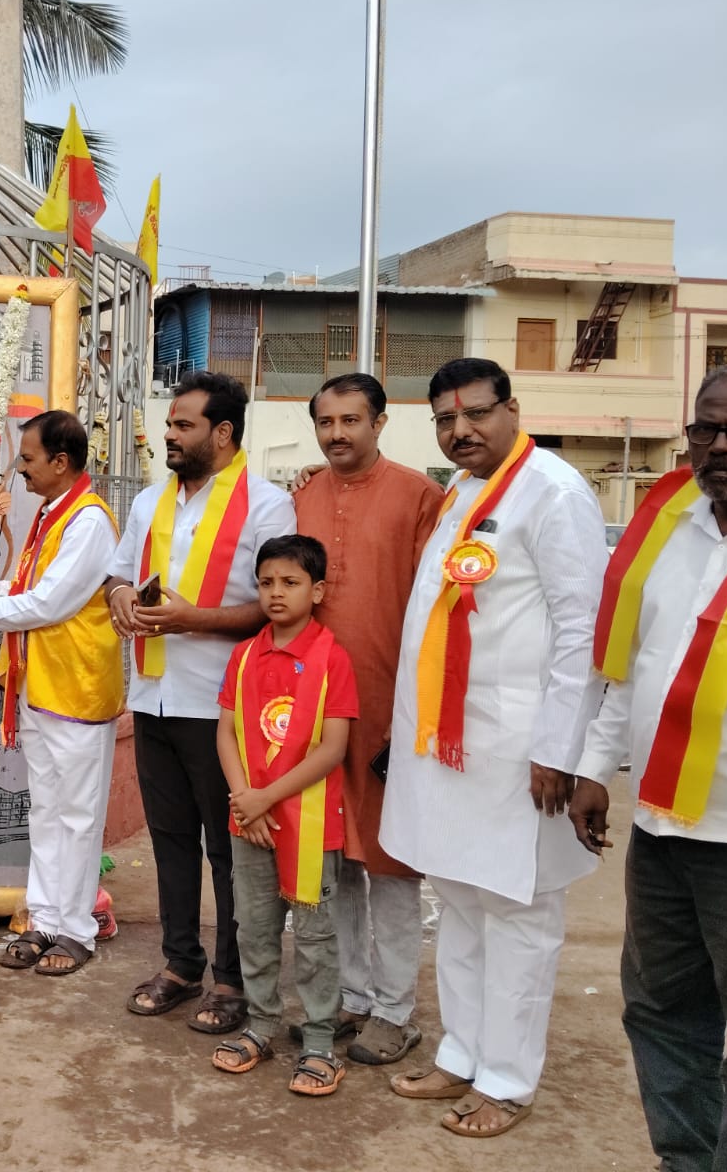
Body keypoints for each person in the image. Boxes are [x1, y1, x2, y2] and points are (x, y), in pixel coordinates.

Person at [381, 358, 605, 1137]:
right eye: (446, 420)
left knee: (517, 913)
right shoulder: (462, 491)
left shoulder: (554, 492)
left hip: (520, 752)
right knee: (463, 905)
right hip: (451, 750)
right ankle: (463, 1054)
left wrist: (561, 750)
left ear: (512, 408)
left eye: (476, 413)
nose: (461, 430)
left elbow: (582, 631)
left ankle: (507, 1080)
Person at [570, 362, 727, 1172]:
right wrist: (594, 768)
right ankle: (685, 1160)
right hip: (661, 828)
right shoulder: (669, 526)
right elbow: (635, 666)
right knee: (661, 1011)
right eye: (706, 429)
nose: (720, 446)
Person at [102, 371, 295, 1027]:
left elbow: (272, 608)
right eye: (170, 424)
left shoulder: (268, 506)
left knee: (230, 851)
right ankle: (181, 965)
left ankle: (233, 981)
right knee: (171, 842)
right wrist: (120, 597)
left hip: (222, 709)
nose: (170, 435)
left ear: (223, 432)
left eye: (184, 425)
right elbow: (118, 574)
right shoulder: (148, 502)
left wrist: (191, 620)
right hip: (153, 697)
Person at [291, 372, 443, 1064]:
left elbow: (438, 613)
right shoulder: (302, 497)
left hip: (390, 710)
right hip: (316, 712)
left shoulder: (419, 497)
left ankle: (394, 1009)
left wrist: (419, 714)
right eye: (326, 422)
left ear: (380, 422)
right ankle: (350, 996)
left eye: (351, 420)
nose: (337, 434)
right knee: (334, 860)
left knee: (392, 862)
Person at [0, 410, 122, 975]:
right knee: (46, 812)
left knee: (78, 817)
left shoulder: (88, 521)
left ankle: (76, 930)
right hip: (42, 686)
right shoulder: (52, 513)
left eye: (27, 459)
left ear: (60, 462)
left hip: (78, 690)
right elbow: (32, 588)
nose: (19, 470)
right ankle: (44, 920)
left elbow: (47, 604)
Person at [209, 534, 357, 1096]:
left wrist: (265, 798)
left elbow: (332, 749)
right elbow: (226, 734)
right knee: (254, 928)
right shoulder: (244, 656)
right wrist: (244, 798)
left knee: (315, 935)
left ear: (317, 591)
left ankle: (319, 1041)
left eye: (291, 582)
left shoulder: (332, 658)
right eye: (266, 582)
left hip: (309, 823)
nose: (276, 593)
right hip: (250, 820)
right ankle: (261, 1025)